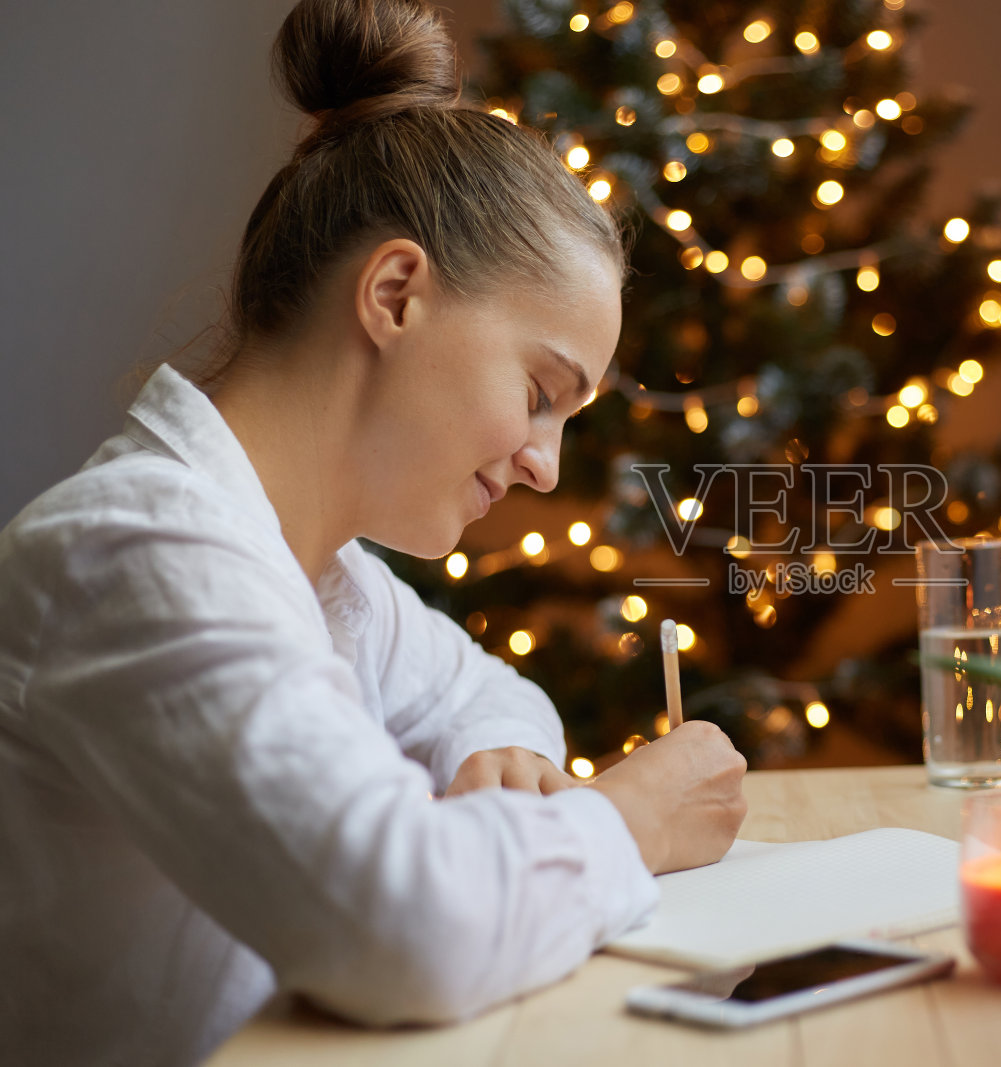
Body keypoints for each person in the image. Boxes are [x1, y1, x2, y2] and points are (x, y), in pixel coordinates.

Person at [0, 1, 748, 1063]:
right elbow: (401, 931)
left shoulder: (327, 577)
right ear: (395, 293)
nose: (545, 463)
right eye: (540, 391)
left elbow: (492, 694)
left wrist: (499, 755)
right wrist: (631, 819)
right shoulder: (133, 554)